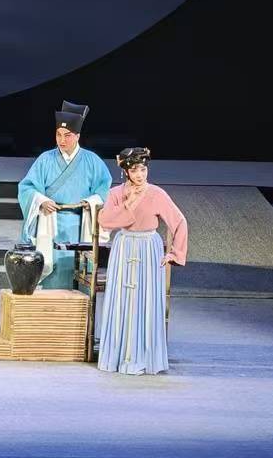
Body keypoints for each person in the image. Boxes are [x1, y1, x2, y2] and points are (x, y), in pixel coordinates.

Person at [97, 147, 188, 375]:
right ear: (126, 172)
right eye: (135, 170)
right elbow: (105, 220)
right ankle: (118, 356)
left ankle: (143, 357)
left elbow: (179, 222)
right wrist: (127, 204)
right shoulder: (116, 193)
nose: (140, 175)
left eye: (143, 169)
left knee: (146, 301)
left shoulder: (156, 193)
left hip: (148, 247)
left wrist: (174, 253)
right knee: (121, 301)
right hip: (124, 246)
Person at [17, 101, 112, 288]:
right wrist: (41, 201)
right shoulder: (45, 159)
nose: (62, 140)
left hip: (81, 225)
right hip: (51, 223)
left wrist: (90, 202)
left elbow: (104, 192)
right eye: (58, 134)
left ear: (77, 136)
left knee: (79, 275)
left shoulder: (92, 161)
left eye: (67, 135)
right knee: (53, 273)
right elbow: (27, 188)